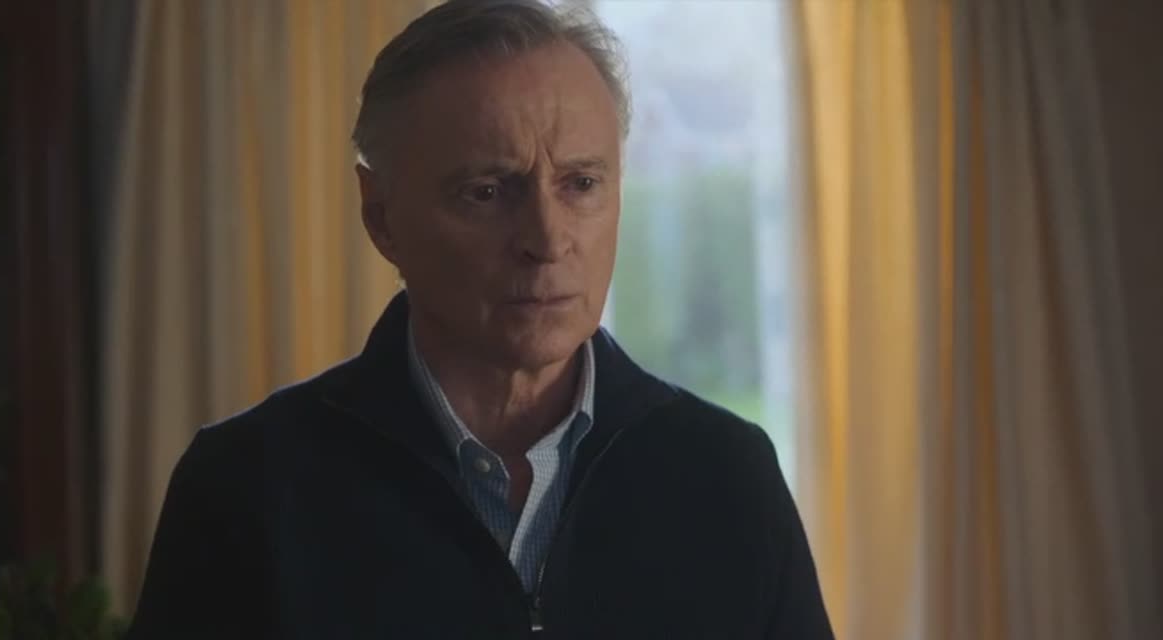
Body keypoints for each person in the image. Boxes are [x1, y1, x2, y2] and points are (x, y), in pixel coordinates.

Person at [127, 1, 833, 637]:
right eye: (488, 191)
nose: (547, 240)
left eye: (581, 183)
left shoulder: (726, 474)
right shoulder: (247, 487)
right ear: (381, 216)